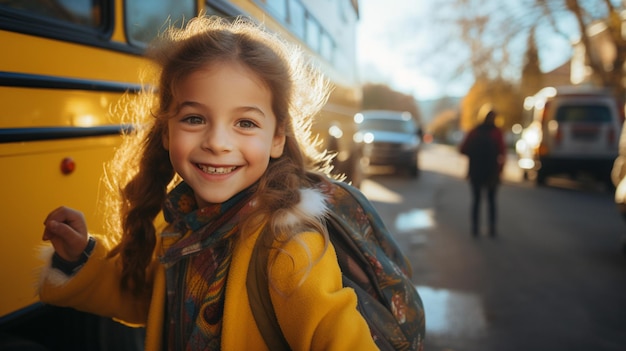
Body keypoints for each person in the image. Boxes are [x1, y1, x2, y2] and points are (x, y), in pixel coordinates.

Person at [38, 16, 381, 350]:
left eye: (245, 123)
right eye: (194, 118)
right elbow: (150, 304)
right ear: (166, 131)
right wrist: (78, 256)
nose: (217, 142)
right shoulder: (185, 223)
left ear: (277, 138)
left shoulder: (290, 249)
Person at [459, 107, 506, 237]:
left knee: (476, 201)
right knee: (491, 201)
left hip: (475, 171)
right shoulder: (497, 133)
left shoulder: (474, 132)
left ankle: (475, 228)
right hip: (492, 172)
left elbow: (462, 149)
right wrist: (500, 171)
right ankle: (492, 228)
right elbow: (502, 153)